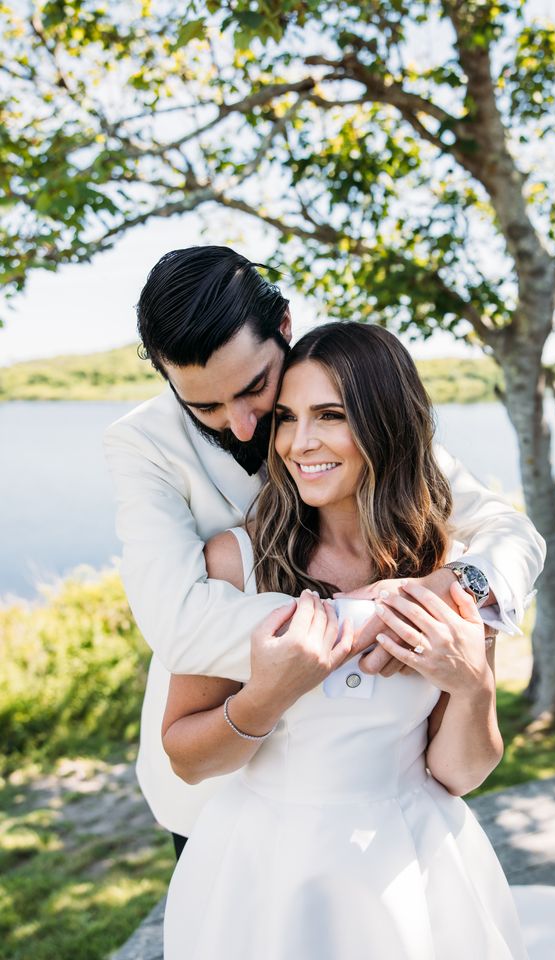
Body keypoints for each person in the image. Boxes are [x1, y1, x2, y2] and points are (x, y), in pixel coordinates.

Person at [103, 246, 545, 858]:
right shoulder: (140, 446)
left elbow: (510, 533)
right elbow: (177, 622)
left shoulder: (349, 401)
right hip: (218, 798)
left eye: (257, 389)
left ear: (284, 327)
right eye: (203, 405)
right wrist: (371, 616)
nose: (243, 426)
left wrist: (448, 590)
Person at [161, 321, 529, 959]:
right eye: (285, 418)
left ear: (385, 424)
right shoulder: (234, 565)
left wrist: (472, 687)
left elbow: (459, 774)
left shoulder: (450, 569)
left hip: (410, 872)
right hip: (264, 873)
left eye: (329, 415)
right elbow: (188, 759)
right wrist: (266, 697)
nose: (299, 444)